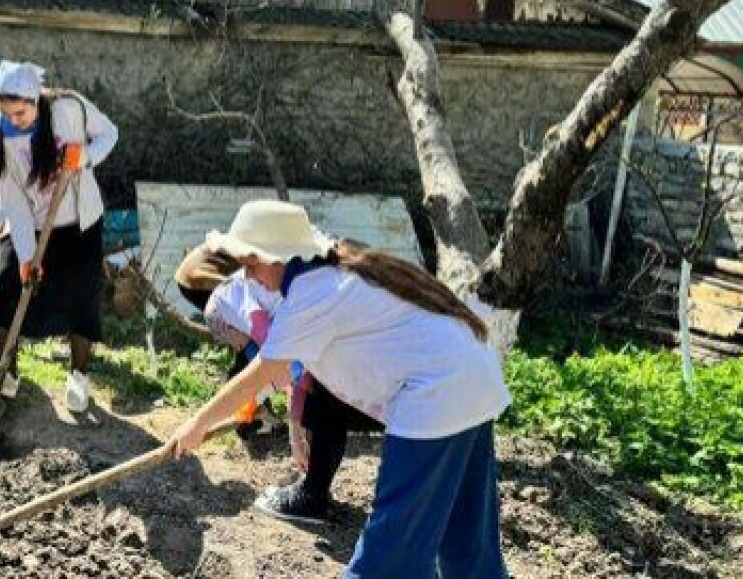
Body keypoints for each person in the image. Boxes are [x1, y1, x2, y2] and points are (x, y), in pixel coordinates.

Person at [169, 200, 510, 578]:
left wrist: (196, 425)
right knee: (469, 541)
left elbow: (260, 373)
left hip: (437, 397)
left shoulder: (312, 293)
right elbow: (294, 376)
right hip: (472, 380)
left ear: (279, 256)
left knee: (390, 553)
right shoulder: (330, 273)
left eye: (251, 264)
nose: (247, 278)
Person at [175, 245, 383, 525]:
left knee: (318, 389)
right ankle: (314, 490)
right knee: (314, 386)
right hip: (363, 345)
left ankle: (313, 496)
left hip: (368, 355)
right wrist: (294, 432)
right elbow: (288, 369)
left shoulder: (238, 305)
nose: (239, 346)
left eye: (235, 341)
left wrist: (199, 424)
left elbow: (287, 369)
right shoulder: (258, 304)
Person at [0, 60, 119, 414]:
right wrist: (26, 256)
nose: (13, 120)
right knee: (5, 286)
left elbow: (110, 134)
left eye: (20, 112)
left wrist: (84, 158)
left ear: (36, 99)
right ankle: (8, 373)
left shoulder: (69, 108)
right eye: (6, 113)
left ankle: (79, 376)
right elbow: (13, 201)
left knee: (81, 298)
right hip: (30, 222)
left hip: (79, 222)